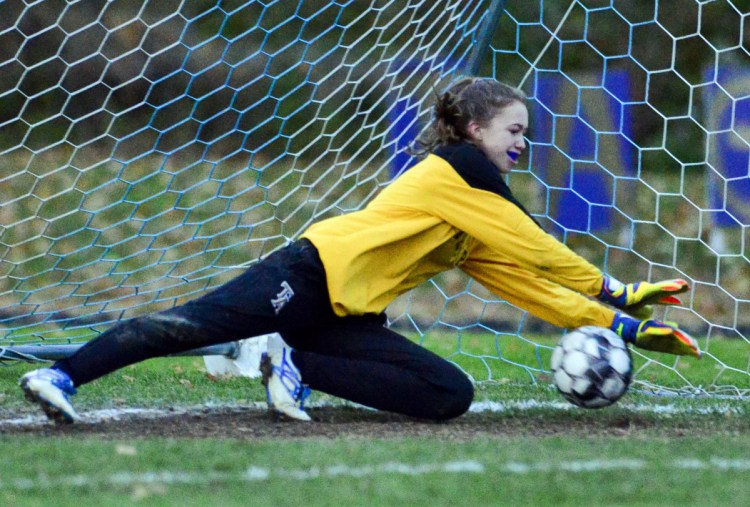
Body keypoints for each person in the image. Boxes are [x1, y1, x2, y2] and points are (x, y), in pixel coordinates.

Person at [19, 77, 700, 424]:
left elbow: (522, 280)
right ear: (471, 128)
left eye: (526, 131)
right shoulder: (460, 170)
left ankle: (297, 361)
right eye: (513, 129)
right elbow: (535, 244)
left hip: (341, 317)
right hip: (308, 272)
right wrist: (612, 292)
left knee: (447, 394)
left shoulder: (472, 208)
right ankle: (61, 377)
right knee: (185, 326)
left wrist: (622, 326)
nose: (522, 143)